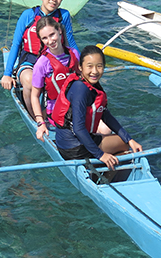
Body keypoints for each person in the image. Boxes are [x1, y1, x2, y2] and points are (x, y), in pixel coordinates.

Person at [49, 45, 142, 177]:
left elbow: (105, 115)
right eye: (90, 66)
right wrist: (101, 155)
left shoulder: (90, 85)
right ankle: (103, 172)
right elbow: (79, 128)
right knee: (123, 146)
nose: (95, 71)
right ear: (80, 67)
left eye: (99, 66)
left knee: (125, 142)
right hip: (73, 147)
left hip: (71, 141)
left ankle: (101, 166)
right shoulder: (81, 89)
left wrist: (129, 139)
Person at [1, 0, 77, 112]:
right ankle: (36, 118)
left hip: (54, 60)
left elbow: (70, 42)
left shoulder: (63, 15)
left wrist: (81, 65)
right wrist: (7, 74)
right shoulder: (28, 15)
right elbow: (16, 44)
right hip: (29, 60)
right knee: (30, 80)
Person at [29, 16, 80, 139]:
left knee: (104, 129)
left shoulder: (74, 53)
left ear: (59, 31)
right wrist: (40, 123)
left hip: (78, 106)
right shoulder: (41, 64)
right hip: (57, 112)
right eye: (45, 38)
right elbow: (35, 95)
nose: (50, 41)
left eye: (52, 35)